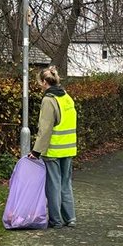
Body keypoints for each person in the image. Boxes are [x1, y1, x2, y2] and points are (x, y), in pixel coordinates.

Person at [30, 66, 77, 228]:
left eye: (40, 83)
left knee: (54, 185)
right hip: (69, 149)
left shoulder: (49, 100)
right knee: (66, 184)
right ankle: (70, 218)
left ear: (44, 82)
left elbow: (45, 129)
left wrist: (36, 152)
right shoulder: (67, 98)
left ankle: (56, 220)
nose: (40, 86)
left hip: (54, 150)